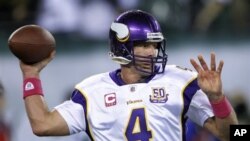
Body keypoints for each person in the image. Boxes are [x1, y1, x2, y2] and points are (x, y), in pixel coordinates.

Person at [19, 10, 238, 141]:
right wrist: (30, 74)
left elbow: (235, 135)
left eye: (155, 44)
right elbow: (42, 125)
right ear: (121, 47)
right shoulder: (92, 91)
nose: (152, 51)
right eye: (144, 44)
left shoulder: (181, 81)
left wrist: (217, 99)